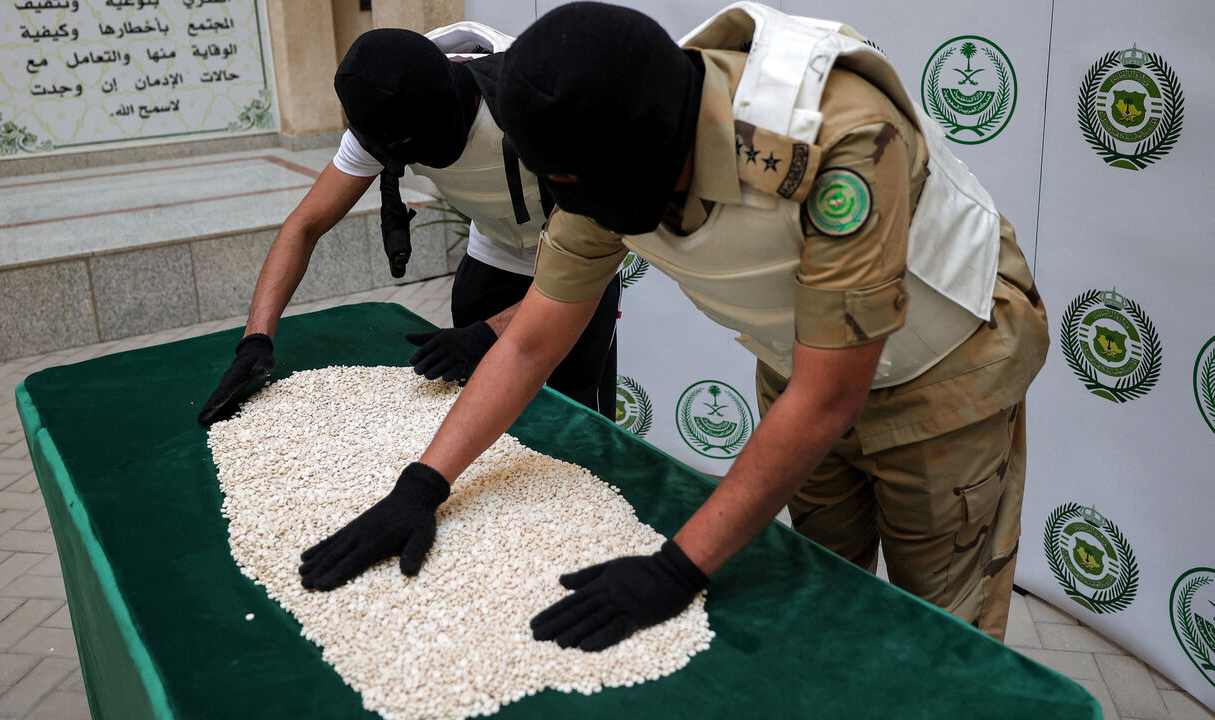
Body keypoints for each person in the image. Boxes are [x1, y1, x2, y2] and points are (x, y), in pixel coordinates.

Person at [296, 2, 1049, 651]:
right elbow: (530, 340)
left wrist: (676, 569)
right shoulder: (598, 143)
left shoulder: (834, 138)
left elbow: (830, 399)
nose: (581, 208)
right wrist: (421, 486)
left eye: (580, 191)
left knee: (940, 626)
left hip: (946, 373)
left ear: (648, 152)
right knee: (829, 586)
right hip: (799, 365)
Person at [196, 23, 620, 426]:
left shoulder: (537, 102)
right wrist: (255, 341)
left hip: (581, 265)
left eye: (406, 148)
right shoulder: (385, 114)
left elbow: (597, 247)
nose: (401, 157)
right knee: (484, 410)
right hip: (493, 253)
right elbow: (304, 226)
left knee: (576, 423)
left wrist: (486, 335)